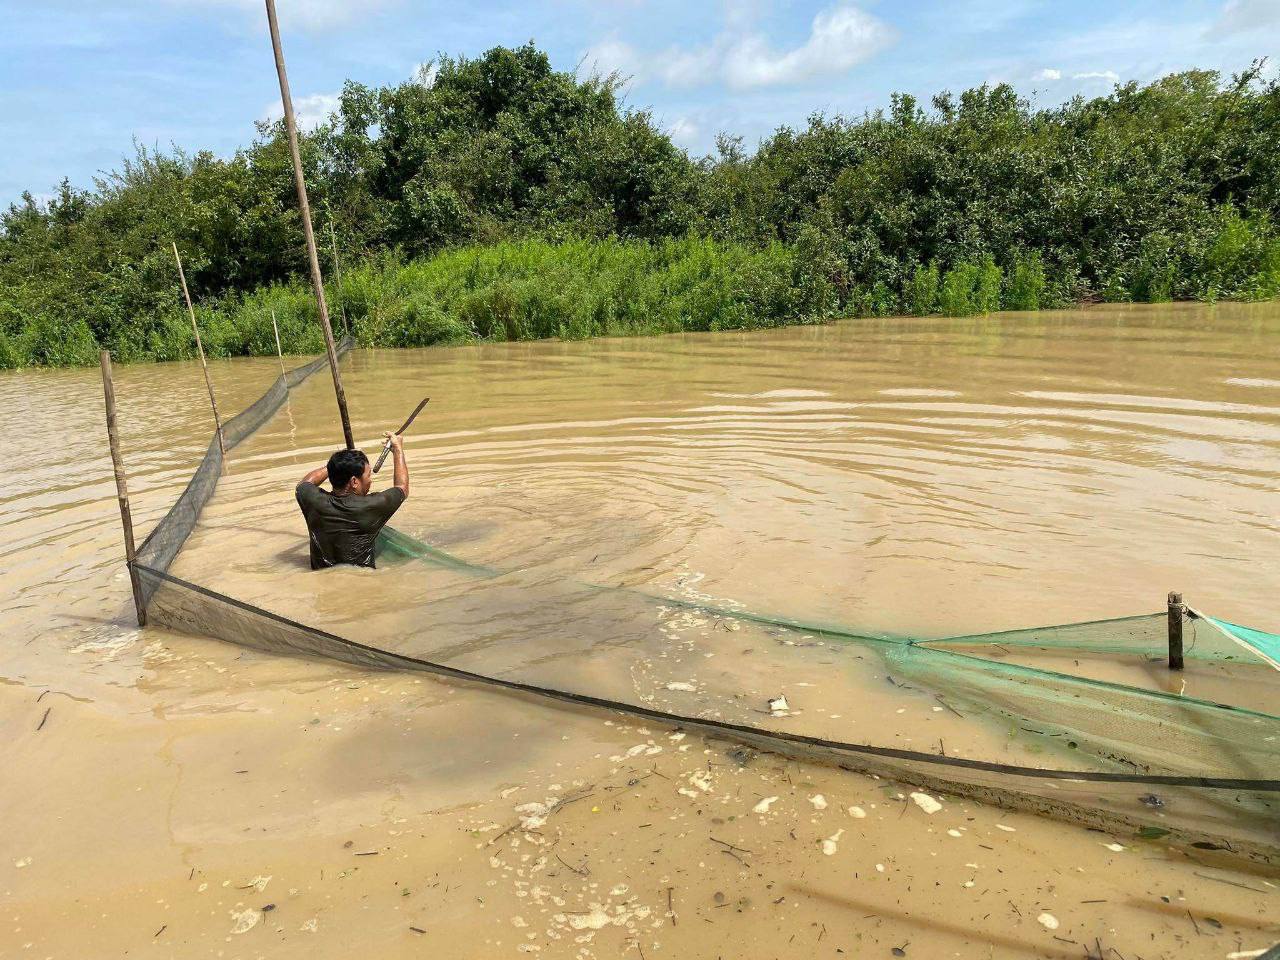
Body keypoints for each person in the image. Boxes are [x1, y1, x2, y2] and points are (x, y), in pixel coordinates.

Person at [295, 432, 409, 570]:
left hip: (320, 578)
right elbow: (402, 488)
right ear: (354, 481)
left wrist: (338, 465)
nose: (370, 481)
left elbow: (305, 483)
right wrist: (398, 449)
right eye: (368, 475)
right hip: (362, 578)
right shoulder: (370, 506)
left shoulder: (313, 501)